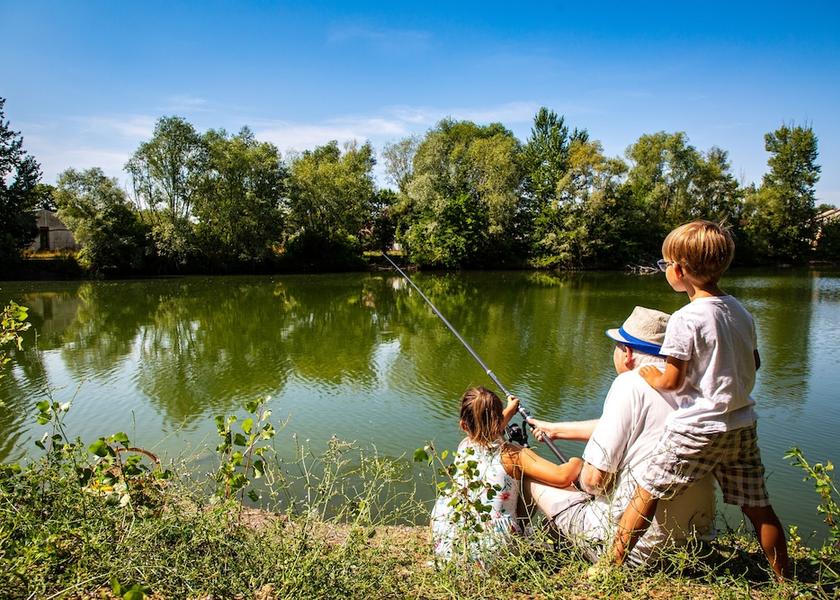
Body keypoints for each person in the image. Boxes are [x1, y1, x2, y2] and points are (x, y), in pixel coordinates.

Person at [611, 220, 789, 579]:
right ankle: (785, 578)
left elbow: (673, 381)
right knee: (759, 507)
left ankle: (608, 568)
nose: (664, 272)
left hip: (696, 428)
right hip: (740, 424)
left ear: (678, 270)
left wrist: (650, 375)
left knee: (647, 493)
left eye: (664, 266)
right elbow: (754, 362)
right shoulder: (741, 311)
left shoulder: (685, 318)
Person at [526, 306, 716, 567]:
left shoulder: (629, 383)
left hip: (637, 553)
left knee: (534, 478)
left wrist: (575, 474)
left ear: (626, 353)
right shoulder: (696, 387)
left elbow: (594, 482)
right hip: (696, 547)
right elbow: (634, 427)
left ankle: (529, 553)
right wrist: (556, 429)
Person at [431, 386, 583, 563]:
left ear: (464, 426)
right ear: (498, 422)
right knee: (530, 476)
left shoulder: (464, 446)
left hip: (450, 549)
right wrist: (576, 461)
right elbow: (563, 476)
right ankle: (523, 530)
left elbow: (487, 431)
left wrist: (510, 410)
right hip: (493, 555)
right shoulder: (513, 455)